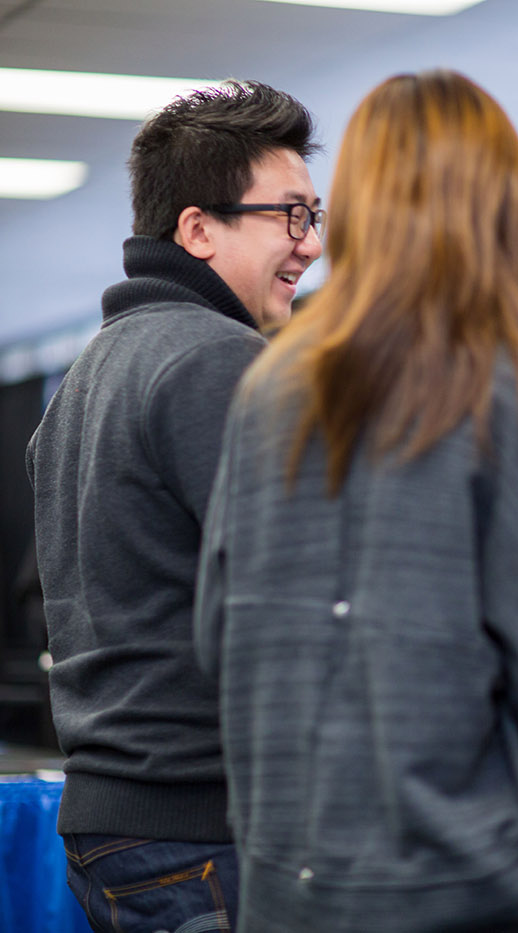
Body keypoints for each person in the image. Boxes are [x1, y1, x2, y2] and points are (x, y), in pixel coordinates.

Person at [192, 70, 518, 932]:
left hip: (288, 881)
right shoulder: (512, 389)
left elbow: (217, 636)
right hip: (463, 887)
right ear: (500, 207)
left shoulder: (269, 389)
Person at [25, 80, 322, 932]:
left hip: (118, 822)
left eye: (314, 216)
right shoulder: (219, 363)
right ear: (198, 228)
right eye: (288, 217)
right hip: (202, 828)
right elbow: (293, 602)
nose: (308, 245)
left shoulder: (88, 374)